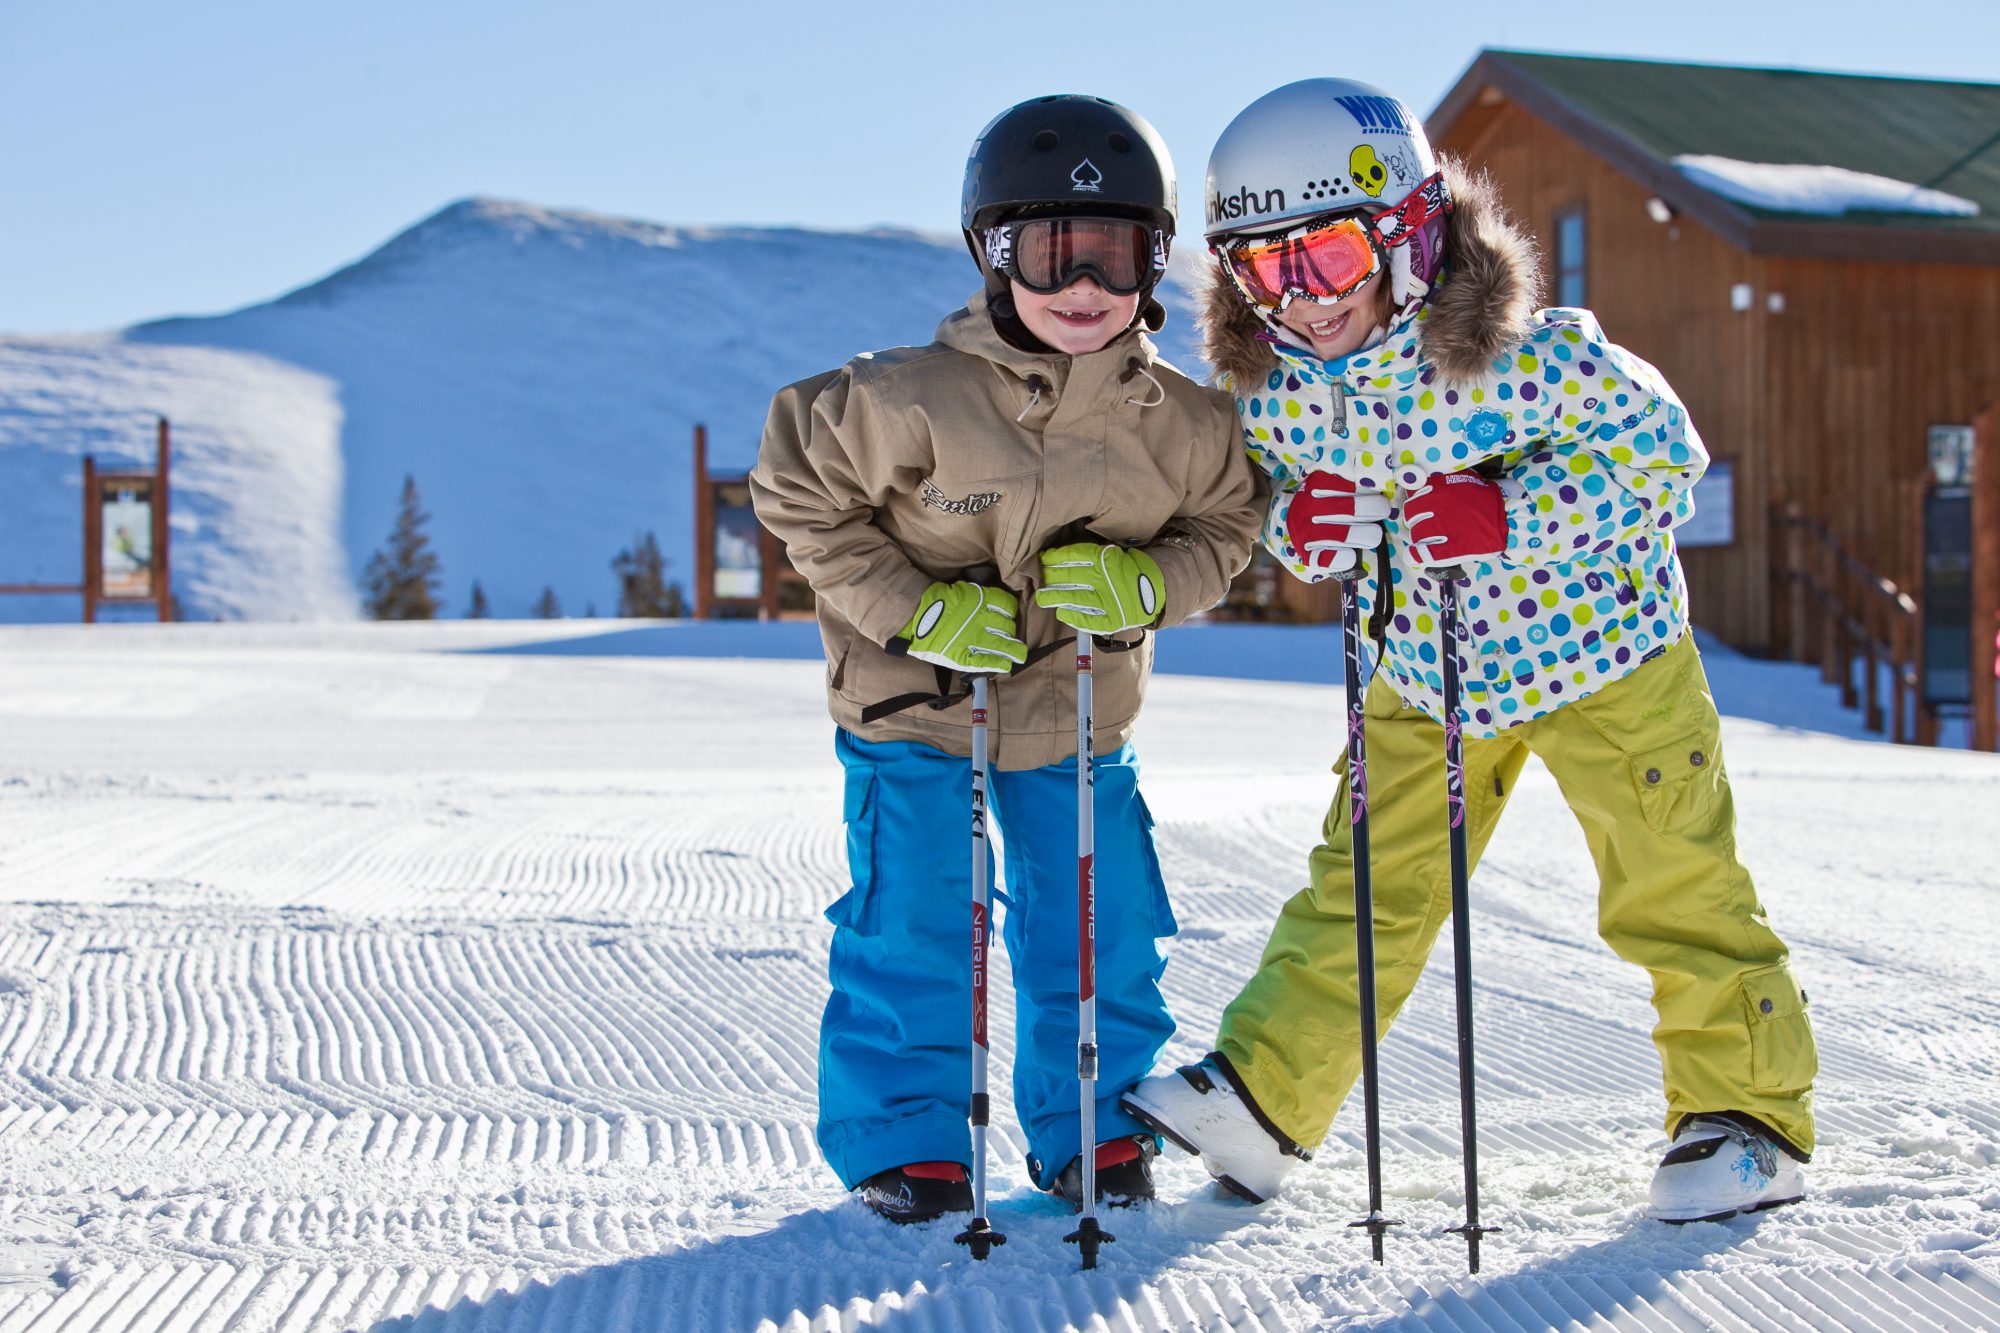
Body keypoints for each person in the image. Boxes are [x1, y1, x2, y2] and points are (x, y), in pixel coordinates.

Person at [1123, 78, 1818, 1224]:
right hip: (1421, 674)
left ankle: (1745, 1118)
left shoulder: (1532, 358)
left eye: (1328, 259)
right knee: (1362, 886)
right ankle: (1261, 1096)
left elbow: (1664, 458)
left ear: (1407, 232)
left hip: (1606, 659)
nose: (1300, 300)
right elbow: (1283, 507)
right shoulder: (1278, 398)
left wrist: (1510, 514)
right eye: (1264, 269)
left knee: (1670, 885)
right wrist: (1306, 530)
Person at [751, 94, 1261, 1224]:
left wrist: (1150, 585)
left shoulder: (1184, 421)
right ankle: (908, 1135)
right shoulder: (899, 396)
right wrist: (914, 608)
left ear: (1155, 263)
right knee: (919, 919)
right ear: (994, 253)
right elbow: (794, 488)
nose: (1083, 285)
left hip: (1077, 716)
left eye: (1115, 255)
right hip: (915, 710)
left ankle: (1098, 1125)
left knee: (1099, 922)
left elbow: (1224, 531)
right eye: (1050, 252)